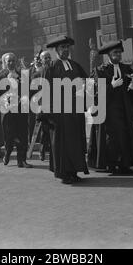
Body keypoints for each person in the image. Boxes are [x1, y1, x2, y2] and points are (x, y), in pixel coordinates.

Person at [87, 40, 133, 175]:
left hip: (125, 111)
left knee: (125, 137)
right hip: (108, 112)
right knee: (111, 139)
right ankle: (111, 165)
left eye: (119, 52)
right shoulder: (100, 71)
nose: (118, 55)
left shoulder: (127, 69)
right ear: (108, 55)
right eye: (115, 53)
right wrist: (111, 86)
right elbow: (93, 94)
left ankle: (124, 165)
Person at [41, 36, 89, 184]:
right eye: (62, 48)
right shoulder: (51, 67)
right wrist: (50, 115)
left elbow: (86, 82)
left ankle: (74, 171)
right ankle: (64, 174)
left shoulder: (75, 65)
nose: (65, 50)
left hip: (75, 111)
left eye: (67, 47)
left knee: (75, 142)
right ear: (56, 51)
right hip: (59, 113)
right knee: (62, 144)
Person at [0, 53, 33, 168]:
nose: (11, 63)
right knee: (9, 136)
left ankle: (22, 160)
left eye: (13, 61)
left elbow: (28, 91)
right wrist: (6, 99)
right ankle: (8, 153)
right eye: (8, 61)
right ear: (5, 63)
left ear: (16, 62)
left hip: (21, 110)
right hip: (8, 112)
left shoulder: (23, 75)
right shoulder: (0, 76)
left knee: (23, 135)